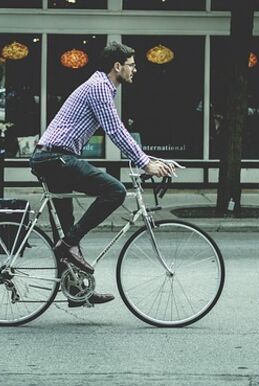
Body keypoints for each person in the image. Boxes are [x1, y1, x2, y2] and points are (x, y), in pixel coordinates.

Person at [29, 42, 173, 307]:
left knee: (67, 224)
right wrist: (144, 163)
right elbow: (116, 131)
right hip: (55, 158)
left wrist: (153, 160)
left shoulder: (102, 87)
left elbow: (117, 132)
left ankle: (76, 289)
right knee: (115, 191)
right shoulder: (99, 88)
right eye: (131, 64)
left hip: (54, 157)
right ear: (117, 66)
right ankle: (67, 246)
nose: (135, 69)